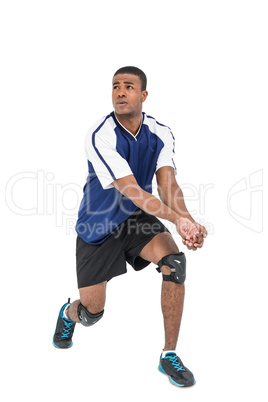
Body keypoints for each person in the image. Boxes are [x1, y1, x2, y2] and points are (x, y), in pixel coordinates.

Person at [53, 66, 207, 388]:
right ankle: (69, 312)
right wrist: (176, 219)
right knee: (92, 313)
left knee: (174, 263)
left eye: (128, 87)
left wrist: (187, 222)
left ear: (143, 95)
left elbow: (168, 185)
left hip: (135, 221)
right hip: (98, 226)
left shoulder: (160, 132)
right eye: (115, 87)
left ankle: (168, 355)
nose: (120, 92)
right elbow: (133, 191)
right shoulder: (101, 135)